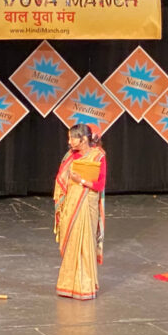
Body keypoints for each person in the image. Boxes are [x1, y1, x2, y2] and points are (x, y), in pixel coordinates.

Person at [54, 123, 106, 300]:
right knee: (72, 243)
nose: (69, 141)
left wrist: (81, 180)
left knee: (85, 243)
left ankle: (85, 287)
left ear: (83, 139)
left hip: (87, 203)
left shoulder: (98, 156)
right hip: (72, 204)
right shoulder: (70, 156)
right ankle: (67, 285)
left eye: (72, 138)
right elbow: (60, 180)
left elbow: (100, 184)